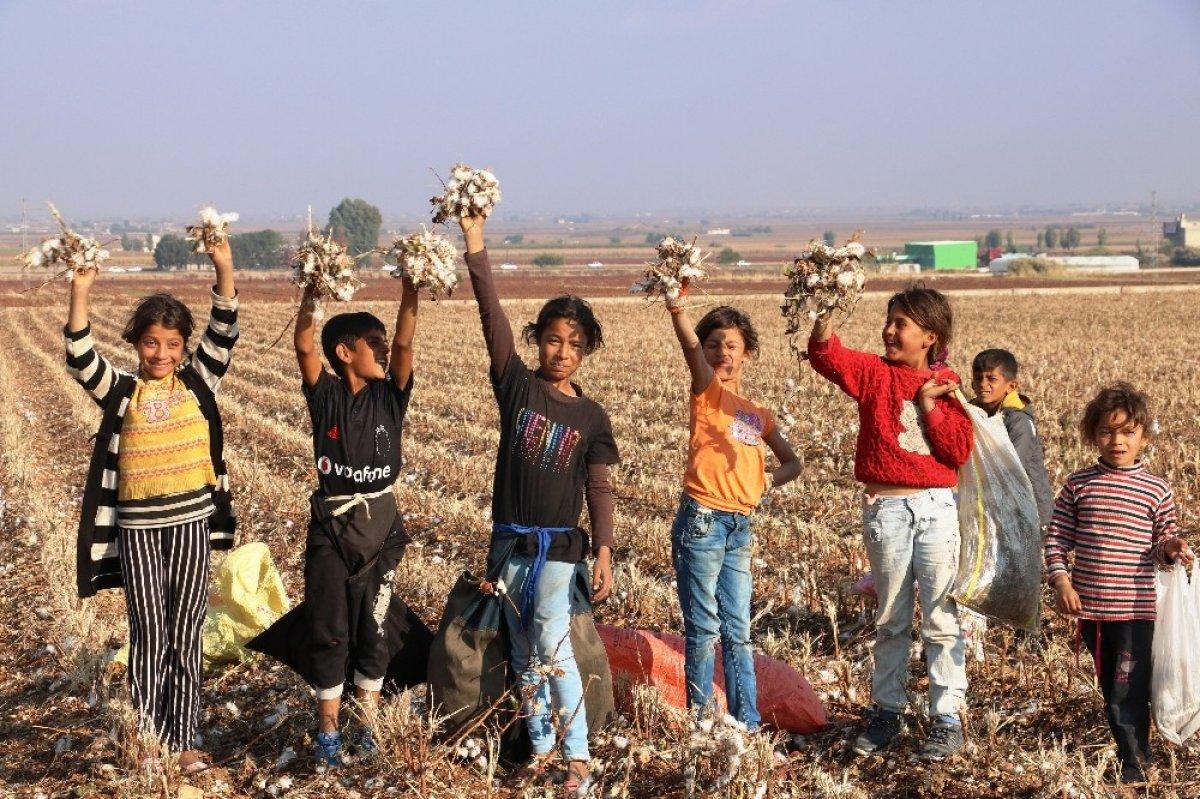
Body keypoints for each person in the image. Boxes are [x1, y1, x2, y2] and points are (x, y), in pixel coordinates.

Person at [65, 240, 238, 772]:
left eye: (170, 344)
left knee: (186, 631)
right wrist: (81, 288)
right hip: (138, 531)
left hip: (189, 527)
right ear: (137, 345)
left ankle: (183, 737)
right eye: (149, 344)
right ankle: (147, 734)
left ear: (185, 348)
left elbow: (225, 326)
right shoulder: (122, 392)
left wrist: (223, 263)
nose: (160, 354)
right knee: (148, 631)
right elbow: (79, 356)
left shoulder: (196, 383)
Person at [461, 211, 618, 791]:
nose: (561, 351)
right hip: (509, 543)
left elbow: (599, 488)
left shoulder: (592, 417)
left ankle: (577, 753)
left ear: (586, 352)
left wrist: (603, 550)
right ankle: (542, 746)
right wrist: (475, 241)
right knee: (526, 647)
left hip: (558, 549)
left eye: (574, 344)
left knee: (551, 638)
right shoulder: (518, 387)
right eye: (553, 339)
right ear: (538, 340)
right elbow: (490, 314)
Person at [808, 283, 973, 760]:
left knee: (941, 616)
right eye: (889, 320)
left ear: (930, 336)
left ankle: (946, 718)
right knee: (891, 618)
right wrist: (823, 311)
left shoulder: (947, 388)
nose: (889, 330)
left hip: (937, 508)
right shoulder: (873, 374)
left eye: (901, 323)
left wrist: (927, 406)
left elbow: (958, 451)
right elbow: (826, 354)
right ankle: (887, 713)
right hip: (886, 511)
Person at [287, 278, 420, 766]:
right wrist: (314, 290)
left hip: (381, 530)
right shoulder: (325, 398)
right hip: (331, 530)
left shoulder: (390, 397)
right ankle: (327, 730)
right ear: (345, 352)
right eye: (374, 345)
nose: (386, 352)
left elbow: (405, 341)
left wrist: (412, 289)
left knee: (374, 626)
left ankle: (366, 722)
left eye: (385, 345)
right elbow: (304, 342)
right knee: (329, 626)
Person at [662, 287, 801, 729]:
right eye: (714, 345)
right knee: (703, 631)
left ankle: (748, 723)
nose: (724, 352)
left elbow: (793, 463)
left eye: (733, 345)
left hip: (740, 525)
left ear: (749, 354)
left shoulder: (757, 414)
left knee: (738, 632)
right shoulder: (708, 394)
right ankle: (703, 725)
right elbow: (687, 345)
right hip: (702, 521)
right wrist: (678, 308)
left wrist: (765, 481)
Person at [1045, 382, 1192, 785]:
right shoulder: (1079, 485)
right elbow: (1057, 539)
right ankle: (1137, 752)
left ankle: (1135, 763)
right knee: (1113, 684)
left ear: (1144, 436)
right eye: (1108, 431)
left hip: (1134, 609)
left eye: (1127, 432)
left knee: (1128, 685)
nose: (1117, 441)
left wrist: (1173, 548)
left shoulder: (1156, 489)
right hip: (1090, 608)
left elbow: (1161, 545)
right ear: (1094, 434)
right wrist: (1061, 583)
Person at [970, 348, 1054, 527]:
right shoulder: (973, 413)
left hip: (1028, 508)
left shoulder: (1018, 420)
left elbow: (1013, 465)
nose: (983, 384)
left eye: (992, 378)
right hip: (998, 503)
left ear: (1011, 386)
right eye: (978, 378)